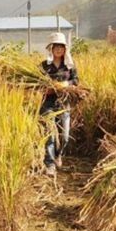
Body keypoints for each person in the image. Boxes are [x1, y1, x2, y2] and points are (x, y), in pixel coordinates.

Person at [40, 32, 79, 176]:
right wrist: (49, 88)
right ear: (51, 48)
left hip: (64, 104)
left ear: (65, 49)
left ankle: (58, 155)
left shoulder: (69, 65)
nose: (59, 49)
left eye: (61, 46)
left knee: (65, 135)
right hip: (48, 104)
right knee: (50, 134)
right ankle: (49, 163)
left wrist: (65, 83)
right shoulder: (44, 66)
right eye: (56, 46)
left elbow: (76, 81)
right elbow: (37, 84)